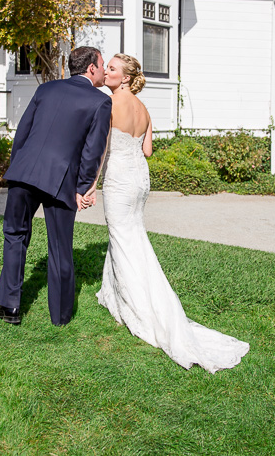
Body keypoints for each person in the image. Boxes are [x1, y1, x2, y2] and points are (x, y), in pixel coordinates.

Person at [86, 54, 249, 373]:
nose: (107, 71)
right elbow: (147, 150)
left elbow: (102, 151)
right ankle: (114, 295)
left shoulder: (109, 106)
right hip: (140, 179)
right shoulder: (144, 110)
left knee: (122, 238)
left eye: (113, 69)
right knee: (130, 234)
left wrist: (91, 185)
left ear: (126, 77)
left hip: (120, 177)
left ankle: (139, 308)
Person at [0, 46, 112, 326]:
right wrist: (82, 188)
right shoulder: (101, 102)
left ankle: (9, 307)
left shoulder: (46, 89)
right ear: (91, 68)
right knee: (60, 246)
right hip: (61, 181)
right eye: (102, 65)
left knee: (15, 235)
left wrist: (16, 166)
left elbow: (23, 132)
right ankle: (61, 317)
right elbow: (92, 152)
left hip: (24, 172)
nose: (104, 70)